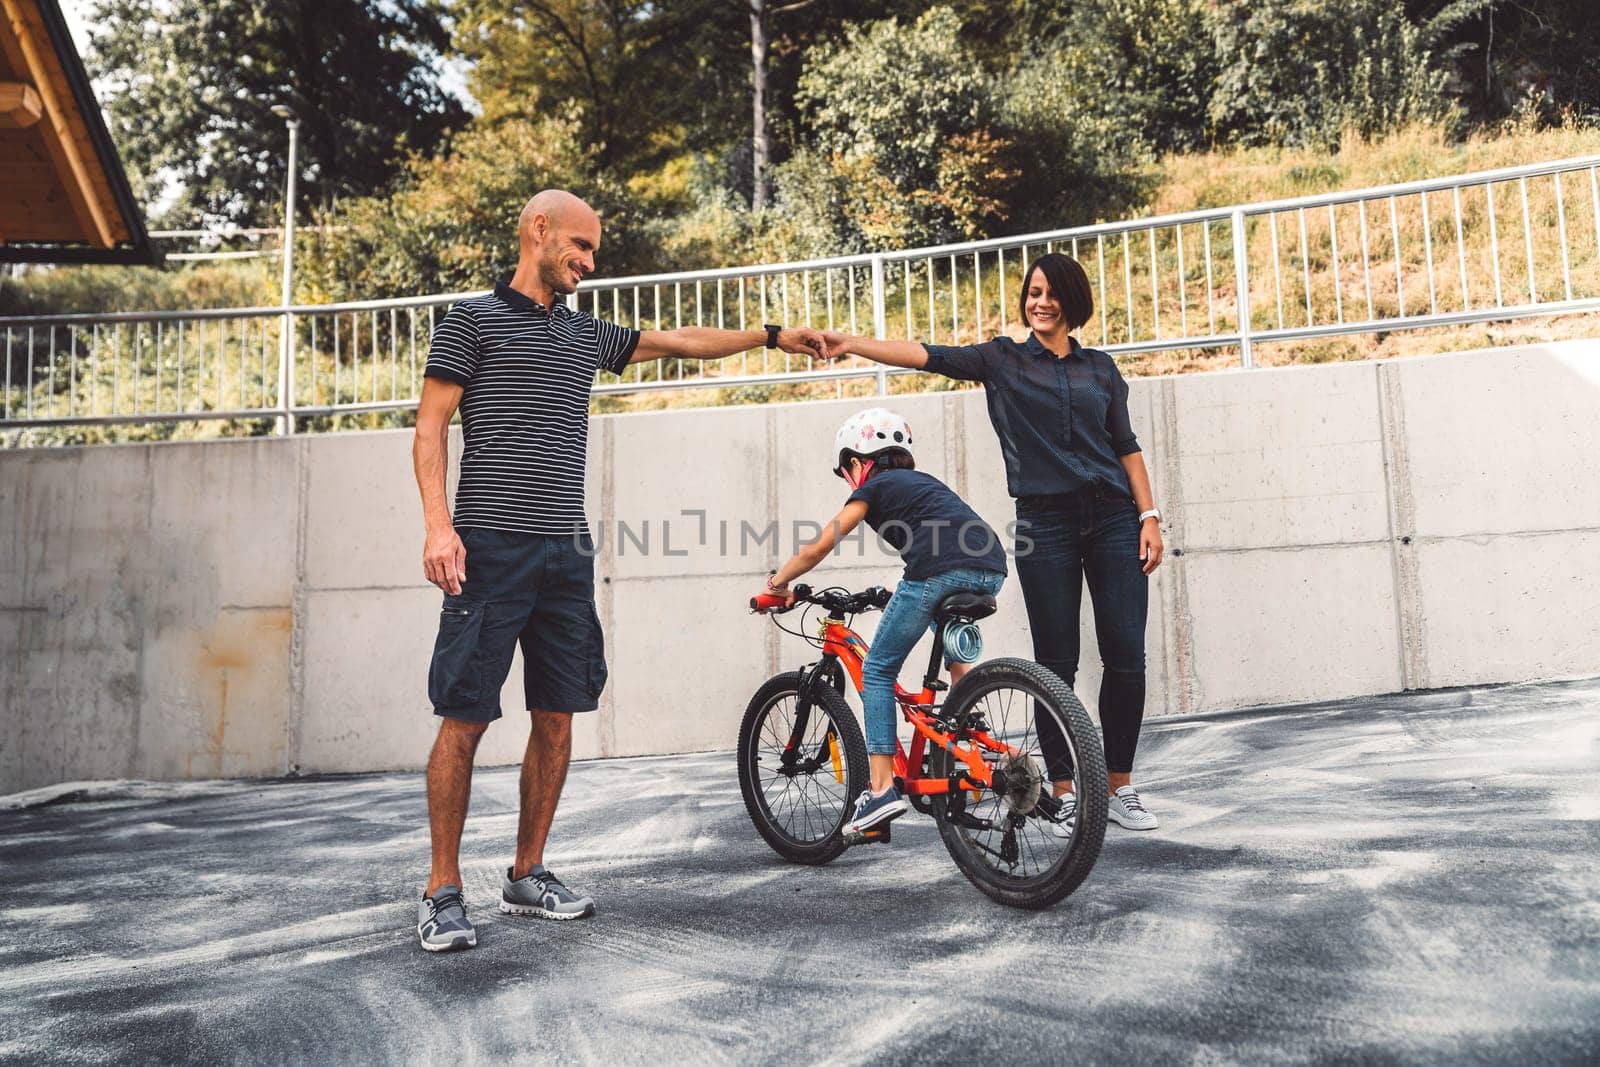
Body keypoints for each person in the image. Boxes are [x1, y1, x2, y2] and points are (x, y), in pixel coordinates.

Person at [412, 189, 824, 951]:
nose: (589, 263)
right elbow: (431, 425)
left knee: (559, 714)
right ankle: (441, 889)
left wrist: (771, 335)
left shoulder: (584, 335)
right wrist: (439, 524)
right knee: (465, 716)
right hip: (490, 544)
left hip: (564, 552)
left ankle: (526, 873)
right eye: (580, 246)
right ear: (537, 231)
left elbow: (677, 342)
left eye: (594, 252)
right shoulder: (472, 320)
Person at [818, 253, 1165, 834]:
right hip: (1043, 524)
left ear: (1072, 301)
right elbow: (927, 356)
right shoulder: (1001, 360)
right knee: (1055, 663)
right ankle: (1064, 791)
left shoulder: (1101, 369)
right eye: (1032, 292)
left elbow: (1126, 447)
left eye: (1052, 293)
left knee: (1125, 656)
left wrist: (1149, 516)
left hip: (1113, 518)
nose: (1041, 302)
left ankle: (1121, 788)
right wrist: (852, 342)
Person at [760, 407, 1008, 839]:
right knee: (942, 628)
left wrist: (778, 583)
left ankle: (880, 790)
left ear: (858, 462)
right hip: (991, 568)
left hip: (937, 570)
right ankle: (966, 718)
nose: (848, 481)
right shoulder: (924, 484)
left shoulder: (875, 487)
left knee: (876, 670)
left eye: (846, 471)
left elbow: (820, 546)